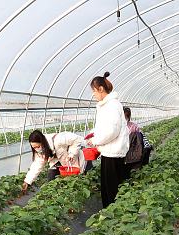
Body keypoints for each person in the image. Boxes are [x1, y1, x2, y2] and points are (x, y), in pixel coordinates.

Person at [86, 72, 129, 207]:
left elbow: (112, 131)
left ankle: (112, 215)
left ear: (101, 89)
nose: (93, 94)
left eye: (94, 91)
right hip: (110, 152)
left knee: (111, 190)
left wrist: (95, 140)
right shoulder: (108, 105)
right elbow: (105, 127)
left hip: (113, 154)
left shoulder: (112, 105)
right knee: (108, 188)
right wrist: (93, 134)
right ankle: (110, 213)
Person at [22, 129, 89, 193]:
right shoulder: (40, 152)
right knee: (51, 180)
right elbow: (37, 166)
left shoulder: (58, 139)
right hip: (59, 162)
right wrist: (27, 181)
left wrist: (72, 153)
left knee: (78, 180)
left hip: (74, 159)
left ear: (42, 142)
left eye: (38, 146)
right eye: (34, 147)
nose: (37, 149)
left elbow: (76, 139)